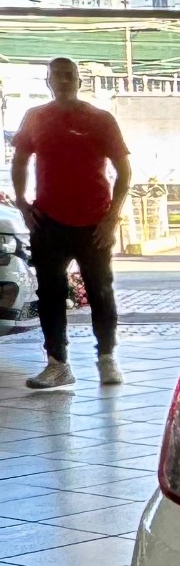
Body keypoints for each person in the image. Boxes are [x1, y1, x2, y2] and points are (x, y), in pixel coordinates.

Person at [10, 57, 130, 390]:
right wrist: (22, 202)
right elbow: (20, 161)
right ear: (47, 81)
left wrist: (112, 217)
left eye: (69, 75)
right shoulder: (35, 118)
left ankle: (107, 358)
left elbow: (124, 172)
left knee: (100, 291)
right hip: (48, 222)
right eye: (56, 76)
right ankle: (57, 364)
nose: (62, 81)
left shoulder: (100, 119)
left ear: (79, 80)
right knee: (50, 293)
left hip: (94, 223)